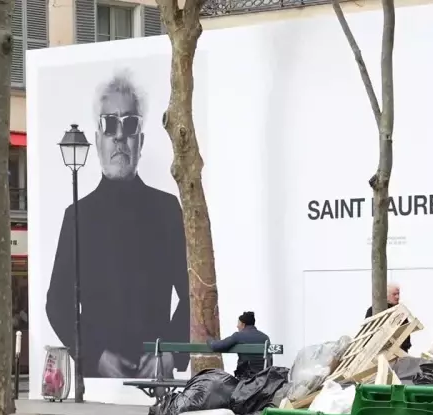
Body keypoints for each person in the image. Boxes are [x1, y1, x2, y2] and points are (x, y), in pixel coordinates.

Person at [46, 69, 189, 380]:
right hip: (101, 376)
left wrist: (171, 353)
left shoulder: (166, 209)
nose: (120, 136)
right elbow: (57, 303)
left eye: (130, 124)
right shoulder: (77, 215)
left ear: (140, 139)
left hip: (154, 370)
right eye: (110, 125)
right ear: (98, 141)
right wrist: (94, 355)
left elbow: (192, 292)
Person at [209, 311, 271, 375]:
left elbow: (216, 346)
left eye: (238, 323)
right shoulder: (265, 337)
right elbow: (270, 360)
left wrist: (209, 339)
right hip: (264, 376)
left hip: (246, 377)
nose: (237, 326)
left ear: (243, 325)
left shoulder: (238, 336)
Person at [364, 282, 412, 353]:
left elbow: (406, 335)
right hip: (379, 351)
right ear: (386, 295)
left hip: (398, 351)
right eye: (394, 294)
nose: (397, 297)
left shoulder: (400, 310)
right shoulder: (373, 310)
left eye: (398, 294)